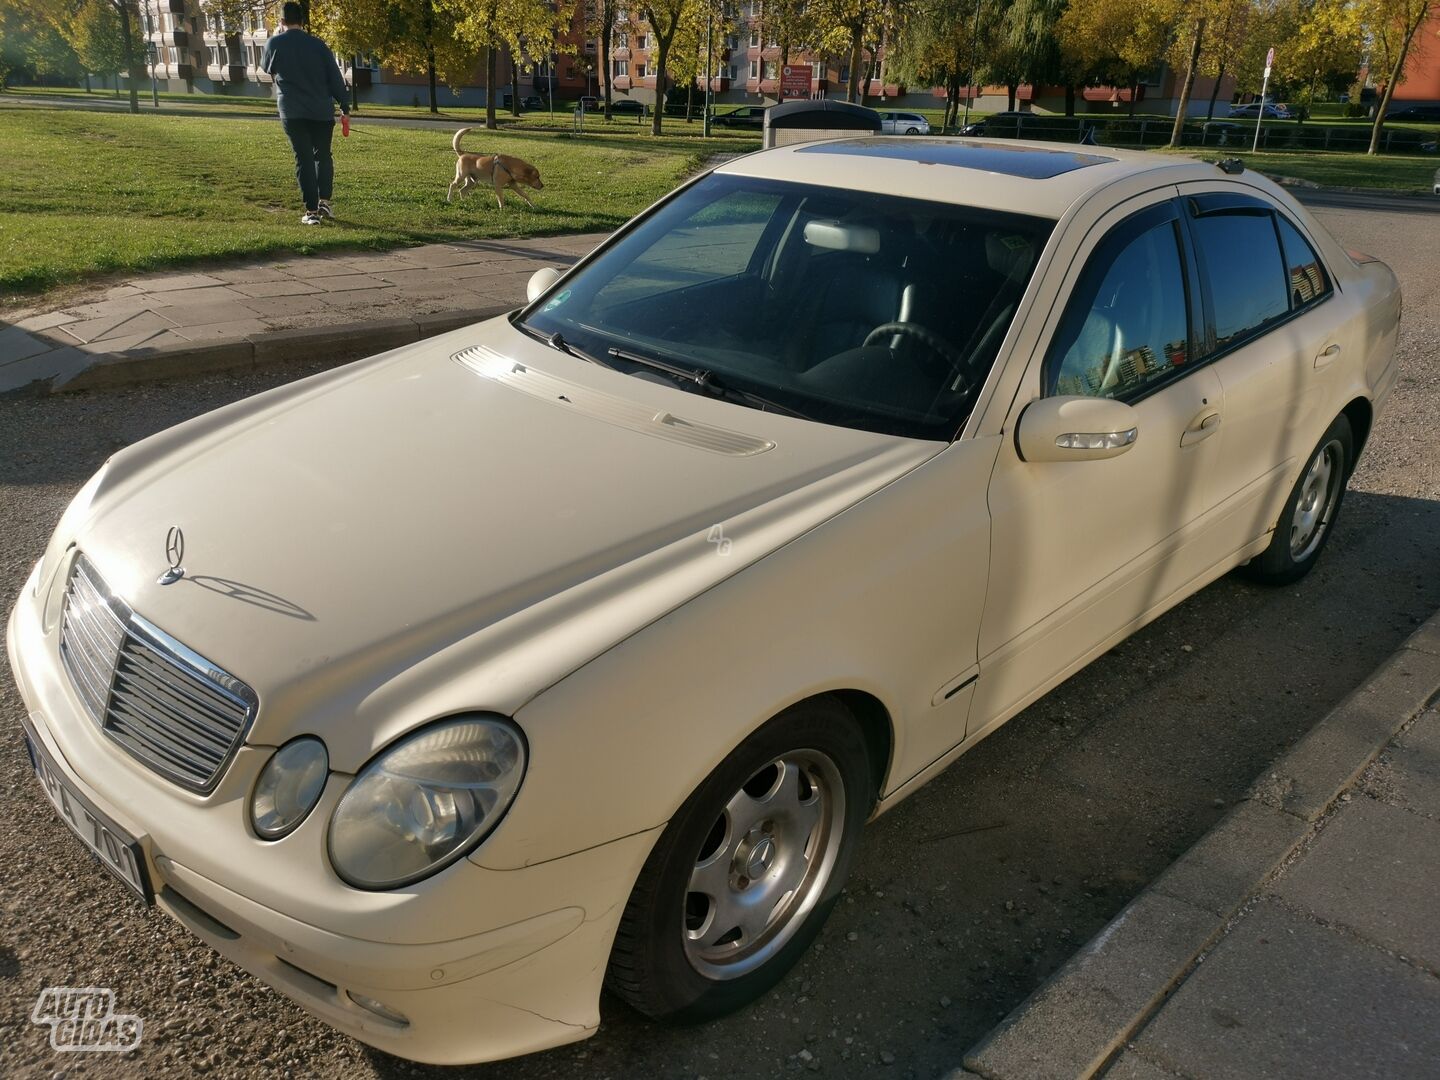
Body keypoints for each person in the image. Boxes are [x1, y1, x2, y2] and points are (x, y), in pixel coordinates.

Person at [261, 3, 349, 226]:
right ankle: (324, 202)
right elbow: (335, 78)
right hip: (321, 110)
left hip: (292, 110)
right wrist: (345, 107)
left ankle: (311, 212)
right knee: (323, 156)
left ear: (281, 22)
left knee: (304, 159)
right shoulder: (318, 45)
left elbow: (266, 68)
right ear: (303, 21)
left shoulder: (274, 43)